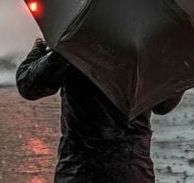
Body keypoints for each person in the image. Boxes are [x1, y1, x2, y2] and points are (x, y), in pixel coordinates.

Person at [16, 38, 182, 183]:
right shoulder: (148, 49)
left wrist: (38, 51)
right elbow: (164, 105)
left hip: (81, 169)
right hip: (133, 168)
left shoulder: (76, 43)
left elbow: (29, 86)